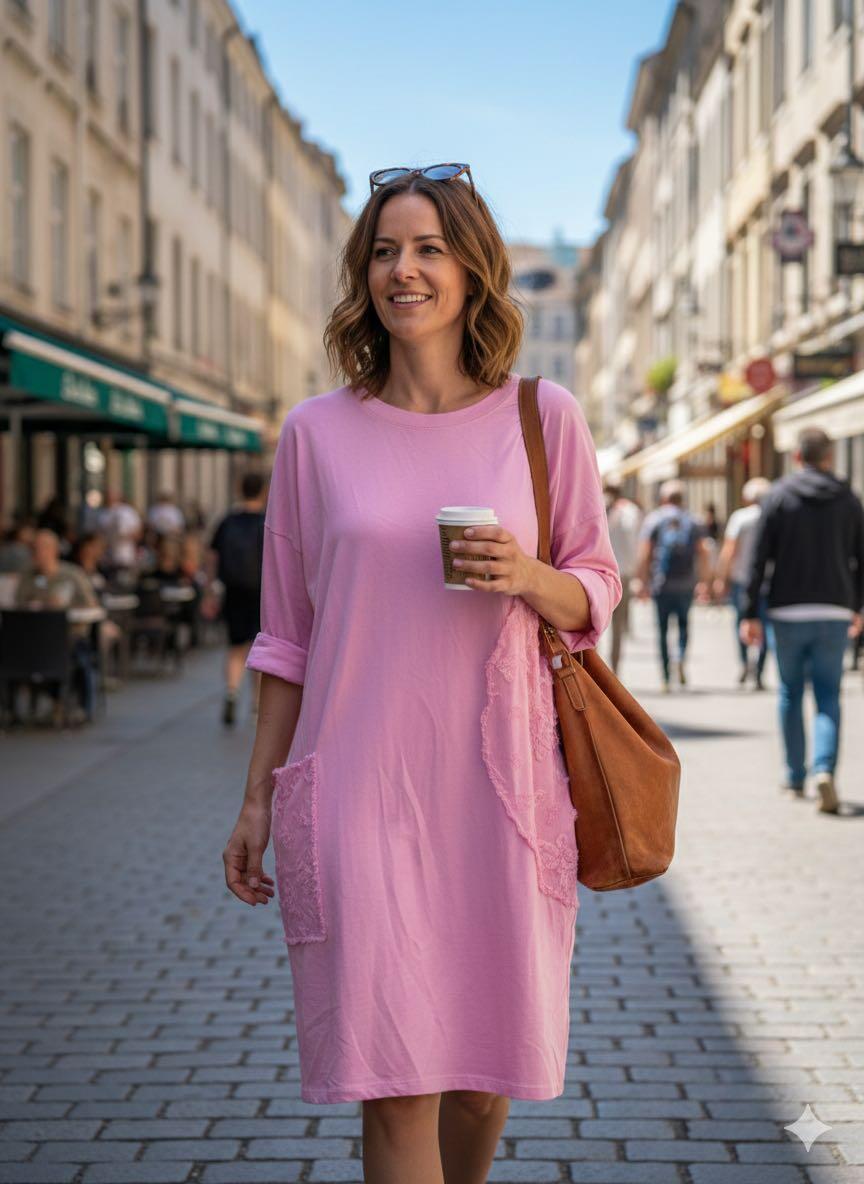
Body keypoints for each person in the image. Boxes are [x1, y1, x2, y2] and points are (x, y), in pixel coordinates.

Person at [221, 163, 621, 1179]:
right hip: (359, 784)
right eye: (386, 250)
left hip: (502, 790)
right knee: (396, 1078)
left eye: (430, 248)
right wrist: (259, 796)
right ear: (364, 274)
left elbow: (595, 590)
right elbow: (285, 637)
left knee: (484, 1074)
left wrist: (530, 575)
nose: (406, 269)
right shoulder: (316, 433)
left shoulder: (543, 415)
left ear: (472, 270)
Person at [741, 428, 864, 813]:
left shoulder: (778, 496)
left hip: (787, 608)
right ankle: (823, 769)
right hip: (834, 607)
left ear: (797, 457)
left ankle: (795, 776)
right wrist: (857, 607)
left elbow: (759, 558)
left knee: (791, 693)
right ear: (829, 458)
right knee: (828, 693)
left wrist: (749, 612)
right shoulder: (848, 498)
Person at [634, 479, 712, 692]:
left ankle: (666, 677)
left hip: (662, 583)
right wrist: (704, 582)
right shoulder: (693, 521)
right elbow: (704, 553)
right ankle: (680, 658)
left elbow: (645, 553)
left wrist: (641, 581)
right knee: (684, 626)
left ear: (663, 498)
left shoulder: (654, 520)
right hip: (686, 583)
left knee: (662, 629)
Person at [15, 529, 100, 721]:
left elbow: (92, 606)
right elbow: (19, 602)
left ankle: (81, 706)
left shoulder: (72, 574)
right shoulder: (28, 576)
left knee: (79, 652)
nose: (37, 554)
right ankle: (12, 709)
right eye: (34, 549)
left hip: (67, 637)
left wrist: (65, 607)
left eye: (42, 549)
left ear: (54, 550)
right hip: (31, 640)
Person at [208, 473, 267, 726]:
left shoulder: (227, 521)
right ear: (264, 491)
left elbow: (212, 556)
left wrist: (211, 589)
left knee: (235, 646)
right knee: (261, 648)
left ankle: (232, 692)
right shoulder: (268, 522)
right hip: (262, 592)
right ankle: (256, 704)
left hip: (233, 590)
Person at [713, 477, 772, 689]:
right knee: (764, 625)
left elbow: (729, 550)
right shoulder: (772, 516)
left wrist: (722, 578)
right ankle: (760, 670)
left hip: (741, 580)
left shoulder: (740, 518)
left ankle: (745, 662)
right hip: (766, 581)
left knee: (741, 622)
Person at [603, 481, 642, 675]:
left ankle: (598, 670)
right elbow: (634, 543)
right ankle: (614, 669)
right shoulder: (630, 512)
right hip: (621, 574)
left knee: (594, 623)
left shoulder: (600, 506)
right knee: (617, 626)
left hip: (601, 573)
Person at [98, 490, 142, 575]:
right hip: (106, 557)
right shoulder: (101, 513)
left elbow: (138, 532)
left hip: (125, 556)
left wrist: (124, 537)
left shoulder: (126, 511)